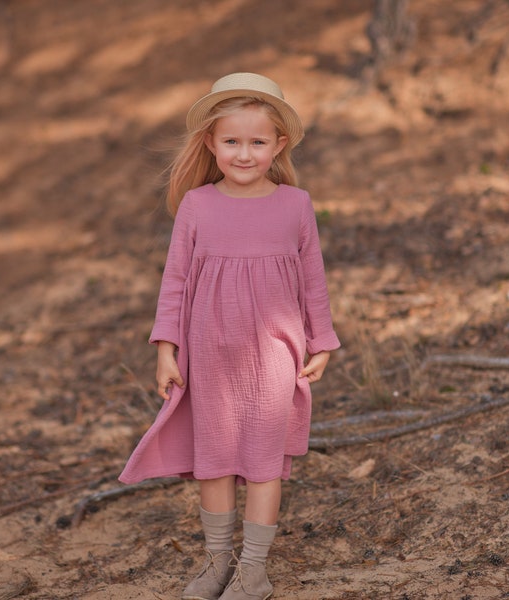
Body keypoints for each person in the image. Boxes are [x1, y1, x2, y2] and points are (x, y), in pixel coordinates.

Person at [119, 72, 340, 600]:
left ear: (278, 144)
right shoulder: (197, 205)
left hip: (274, 354)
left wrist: (323, 340)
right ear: (211, 144)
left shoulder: (296, 204)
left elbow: (313, 277)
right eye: (232, 141)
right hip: (210, 354)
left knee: (263, 463)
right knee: (214, 459)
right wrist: (166, 351)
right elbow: (174, 282)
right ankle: (218, 562)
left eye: (257, 142)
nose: (244, 154)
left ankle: (254, 571)